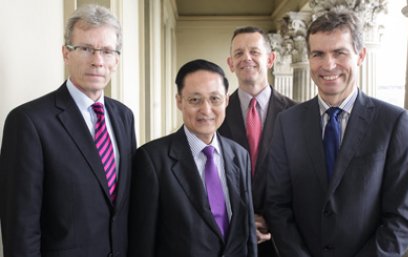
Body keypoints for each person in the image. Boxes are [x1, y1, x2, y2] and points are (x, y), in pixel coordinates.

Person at [265, 9, 408, 257]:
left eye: (339, 53)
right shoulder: (288, 122)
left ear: (361, 55)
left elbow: (403, 217)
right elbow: (277, 205)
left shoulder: (394, 122)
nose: (328, 65)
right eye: (318, 54)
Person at [0, 4, 136, 257]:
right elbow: (20, 227)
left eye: (107, 51)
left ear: (116, 60)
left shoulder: (124, 117)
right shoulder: (28, 122)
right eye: (85, 49)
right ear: (66, 53)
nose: (97, 61)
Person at [128, 59, 257, 257]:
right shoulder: (152, 160)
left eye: (215, 99)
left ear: (227, 101)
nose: (206, 110)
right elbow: (143, 242)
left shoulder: (239, 155)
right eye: (195, 100)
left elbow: (246, 234)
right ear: (179, 101)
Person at [218, 26, 296, 257]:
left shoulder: (297, 115)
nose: (246, 58)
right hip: (228, 237)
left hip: (283, 240)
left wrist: (274, 221)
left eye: (254, 51)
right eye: (239, 53)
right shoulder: (215, 114)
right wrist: (241, 220)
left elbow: (304, 178)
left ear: (271, 59)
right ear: (230, 63)